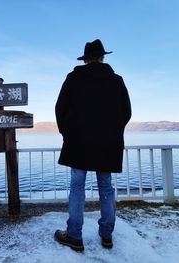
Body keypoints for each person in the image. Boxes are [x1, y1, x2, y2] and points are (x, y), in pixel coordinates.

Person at [54, 39, 131, 251]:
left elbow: (61, 108)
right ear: (102, 57)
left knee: (77, 187)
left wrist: (68, 133)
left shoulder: (74, 78)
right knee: (106, 186)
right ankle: (107, 234)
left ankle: (74, 236)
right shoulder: (117, 81)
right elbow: (126, 112)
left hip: (78, 142)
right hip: (108, 143)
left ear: (86, 59)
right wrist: (112, 132)